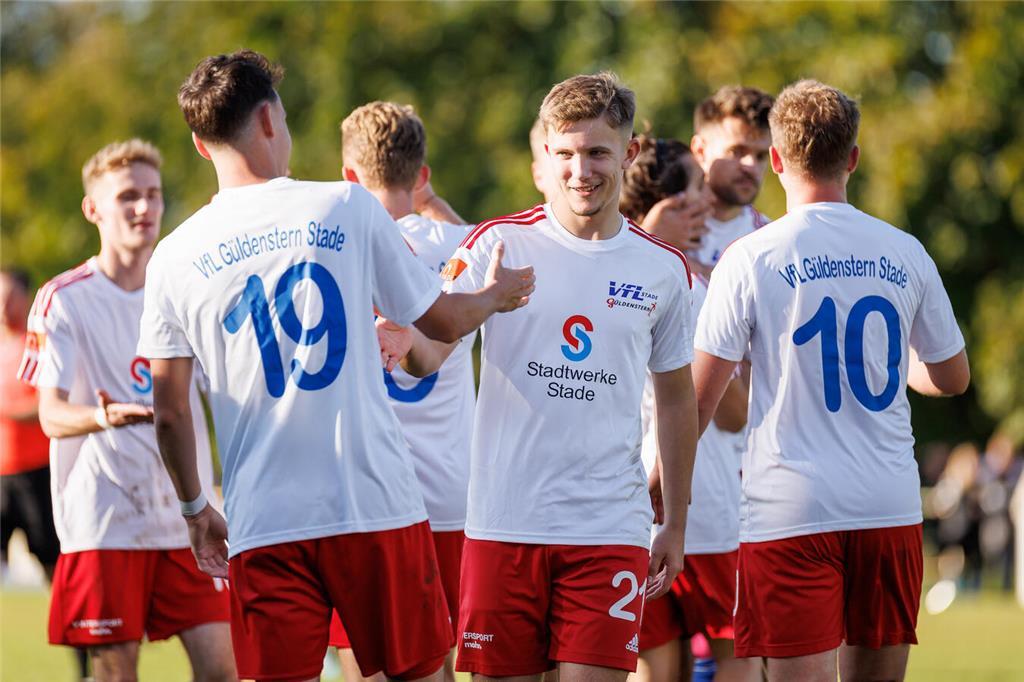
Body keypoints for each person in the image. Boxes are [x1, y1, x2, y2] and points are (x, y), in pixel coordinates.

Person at [138, 50, 533, 682]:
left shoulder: (173, 256)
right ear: (270, 120)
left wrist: (194, 509)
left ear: (199, 144)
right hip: (375, 505)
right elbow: (441, 325)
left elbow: (169, 411)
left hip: (264, 521)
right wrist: (496, 294)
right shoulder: (345, 207)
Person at [411, 72, 698, 680]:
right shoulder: (498, 245)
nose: (579, 171)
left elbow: (677, 401)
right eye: (563, 154)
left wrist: (675, 519)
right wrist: (403, 340)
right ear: (545, 153)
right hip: (503, 525)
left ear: (630, 152)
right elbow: (431, 351)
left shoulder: (663, 270)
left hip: (608, 529)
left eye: (597, 152)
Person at [693, 80, 970, 682]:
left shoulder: (749, 257)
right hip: (887, 504)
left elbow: (696, 404)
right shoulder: (904, 251)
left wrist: (659, 482)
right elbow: (952, 376)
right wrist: (897, 370)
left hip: (790, 507)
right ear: (853, 158)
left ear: (775, 160)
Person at [17, 140, 235, 682]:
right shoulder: (62, 298)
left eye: (154, 195)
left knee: (223, 669)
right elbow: (50, 415)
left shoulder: (185, 291)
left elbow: (226, 396)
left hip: (186, 520)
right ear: (94, 209)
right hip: (105, 522)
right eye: (128, 196)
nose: (144, 208)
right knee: (117, 674)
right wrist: (102, 417)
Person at [333, 100, 476, 682]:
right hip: (450, 496)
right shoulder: (465, 245)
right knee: (435, 666)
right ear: (421, 175)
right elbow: (465, 235)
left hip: (366, 496)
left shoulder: (335, 248)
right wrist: (434, 201)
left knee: (365, 665)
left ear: (348, 176)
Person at [619, 138, 759, 682]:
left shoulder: (615, 275)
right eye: (697, 188)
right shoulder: (691, 285)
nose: (707, 200)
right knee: (736, 657)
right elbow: (730, 415)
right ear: (674, 206)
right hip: (707, 510)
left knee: (655, 664)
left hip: (633, 508)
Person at [2, 269, 59, 581]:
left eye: (9, 297)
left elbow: (46, 405)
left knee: (52, 560)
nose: (2, 305)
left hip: (35, 472)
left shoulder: (37, 345)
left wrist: (7, 410)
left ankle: (70, 626)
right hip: (1, 475)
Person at [683, 86, 774, 271]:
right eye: (736, 151)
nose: (751, 166)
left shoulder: (771, 242)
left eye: (761, 156)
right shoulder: (656, 222)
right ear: (700, 150)